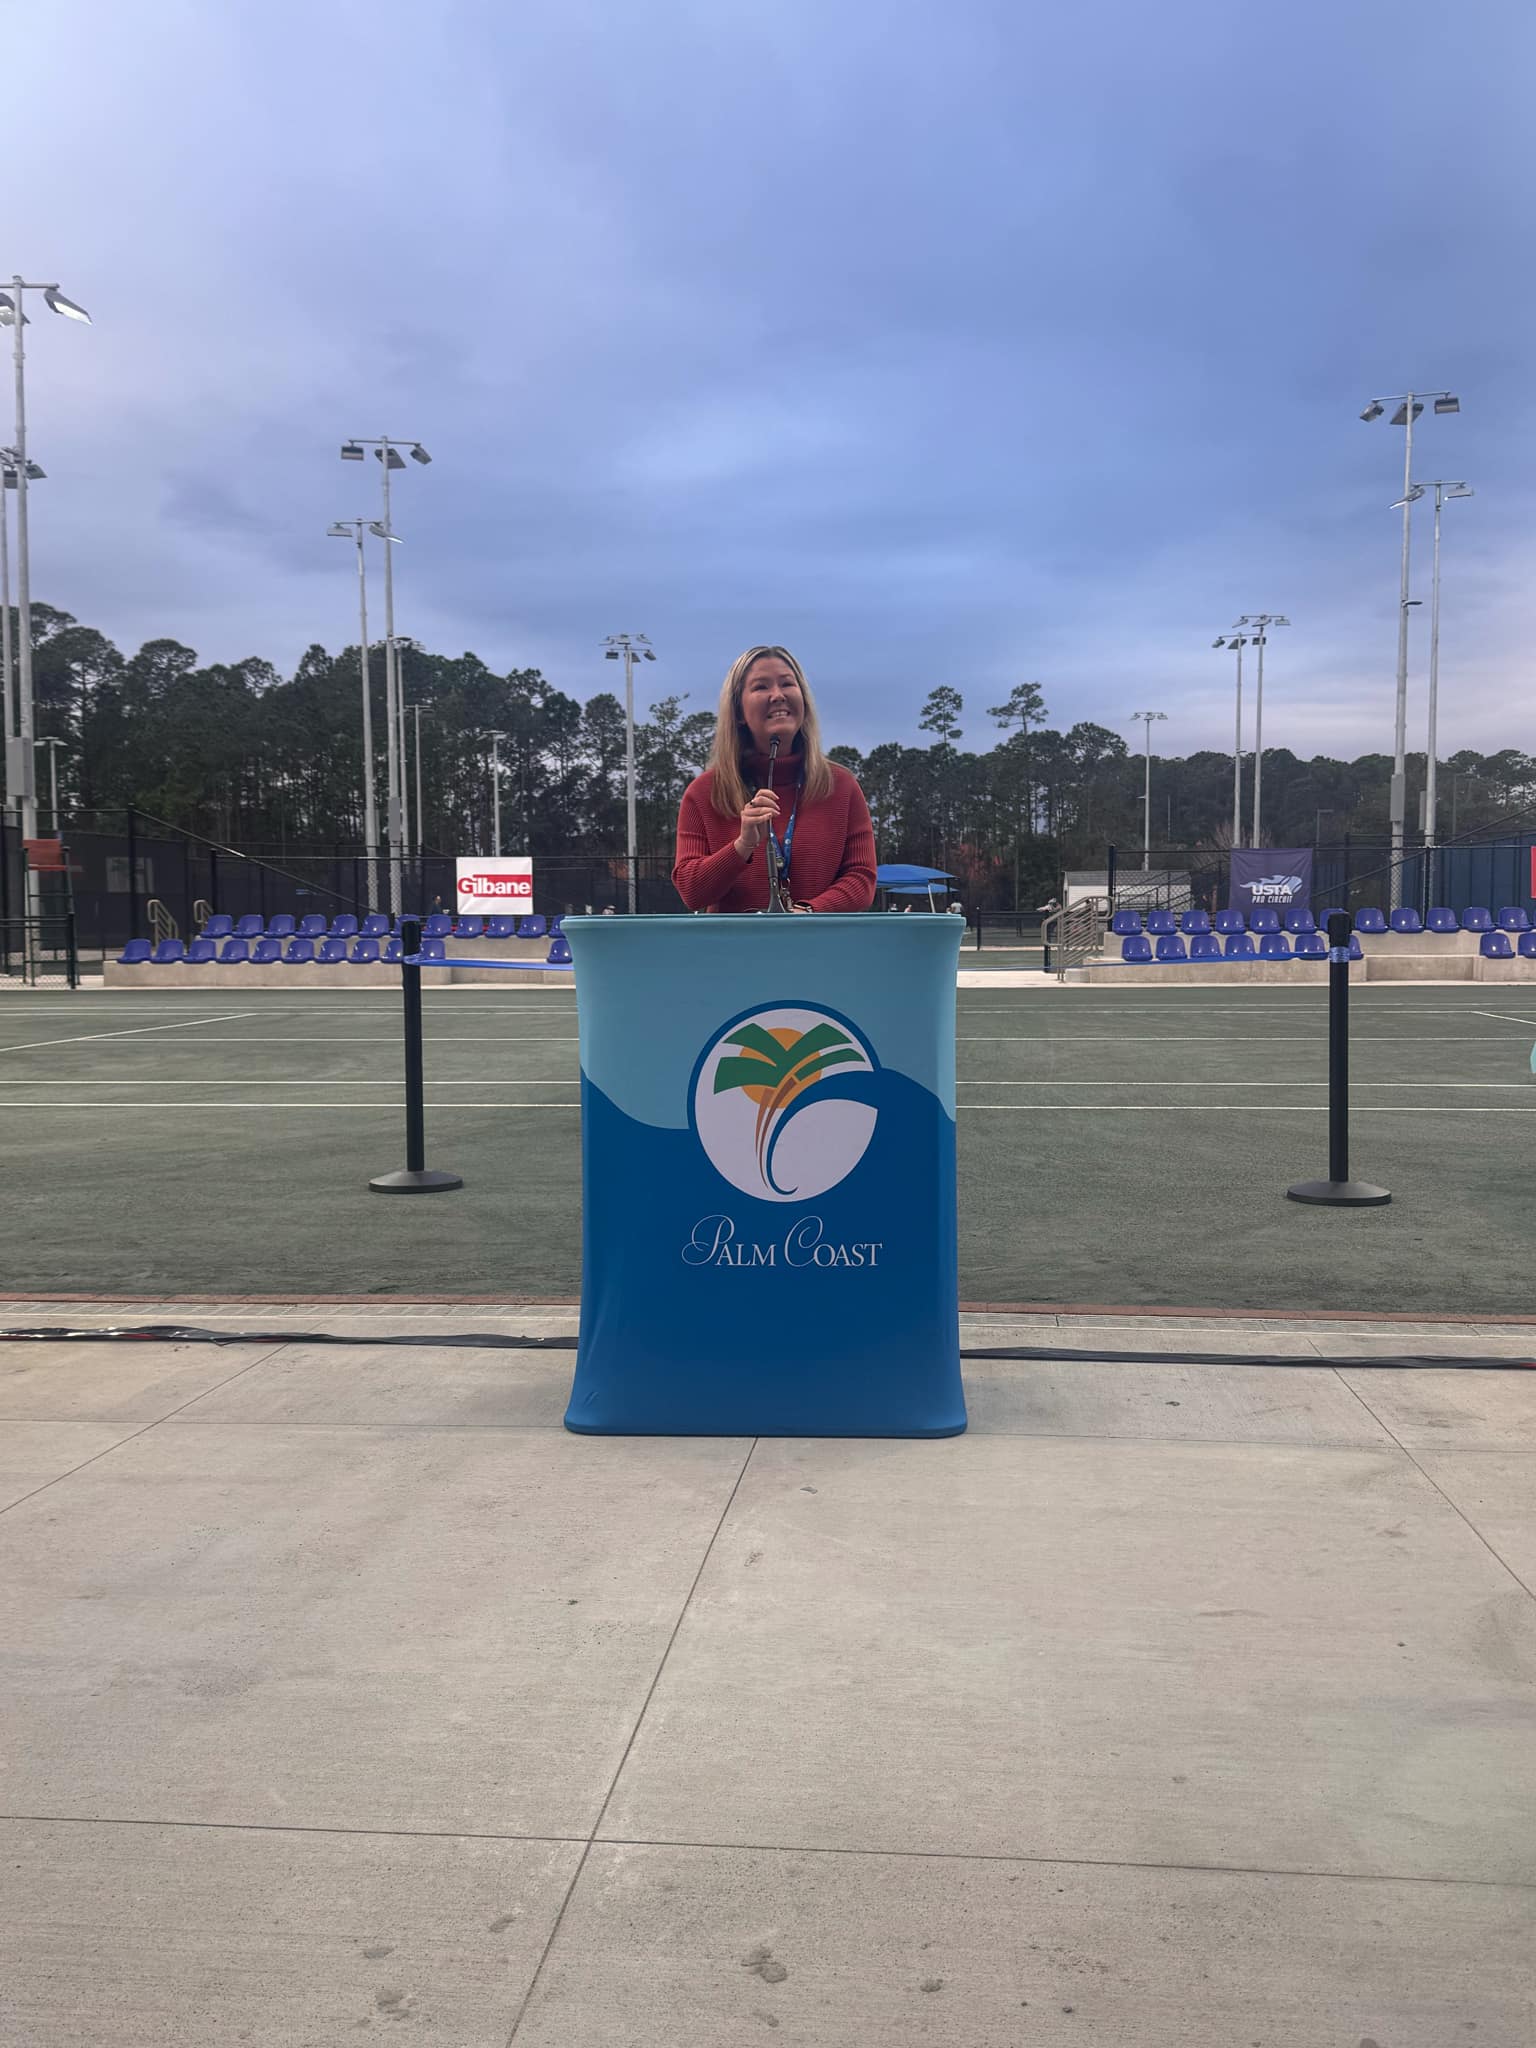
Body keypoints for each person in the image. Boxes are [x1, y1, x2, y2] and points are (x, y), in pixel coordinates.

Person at [673, 646, 877, 913]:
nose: (778, 695)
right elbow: (691, 892)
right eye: (761, 687)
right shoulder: (704, 793)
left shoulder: (841, 785)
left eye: (787, 684)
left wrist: (809, 912)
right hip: (734, 952)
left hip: (823, 950)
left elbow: (862, 878)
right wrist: (742, 847)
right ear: (737, 712)